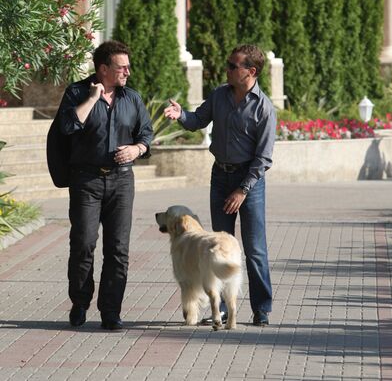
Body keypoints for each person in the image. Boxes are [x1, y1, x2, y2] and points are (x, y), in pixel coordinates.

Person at [164, 44, 276, 326]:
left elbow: (263, 158)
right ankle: (222, 309)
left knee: (254, 249)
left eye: (232, 65)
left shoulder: (264, 108)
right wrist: (182, 116)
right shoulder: (219, 96)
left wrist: (242, 190)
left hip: (248, 183)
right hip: (220, 177)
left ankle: (261, 309)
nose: (226, 69)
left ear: (250, 71)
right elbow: (198, 120)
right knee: (217, 247)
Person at [57, 40, 153, 330]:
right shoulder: (76, 93)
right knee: (84, 243)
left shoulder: (132, 98)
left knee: (118, 249)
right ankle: (80, 302)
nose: (127, 71)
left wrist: (137, 149)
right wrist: (91, 98)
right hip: (86, 180)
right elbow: (67, 127)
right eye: (121, 67)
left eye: (127, 66)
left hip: (122, 181)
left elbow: (146, 134)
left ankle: (111, 311)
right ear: (103, 69)